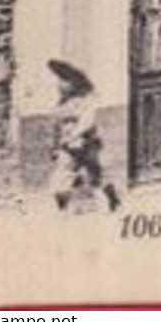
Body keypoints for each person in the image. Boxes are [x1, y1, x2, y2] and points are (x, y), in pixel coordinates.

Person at [48, 60, 121, 213]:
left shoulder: (86, 101)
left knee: (96, 176)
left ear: (75, 83)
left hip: (86, 145)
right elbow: (56, 127)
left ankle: (109, 199)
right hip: (68, 149)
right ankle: (66, 206)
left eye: (66, 81)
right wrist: (54, 146)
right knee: (59, 181)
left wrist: (74, 135)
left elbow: (87, 121)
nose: (61, 85)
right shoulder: (60, 105)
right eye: (60, 81)